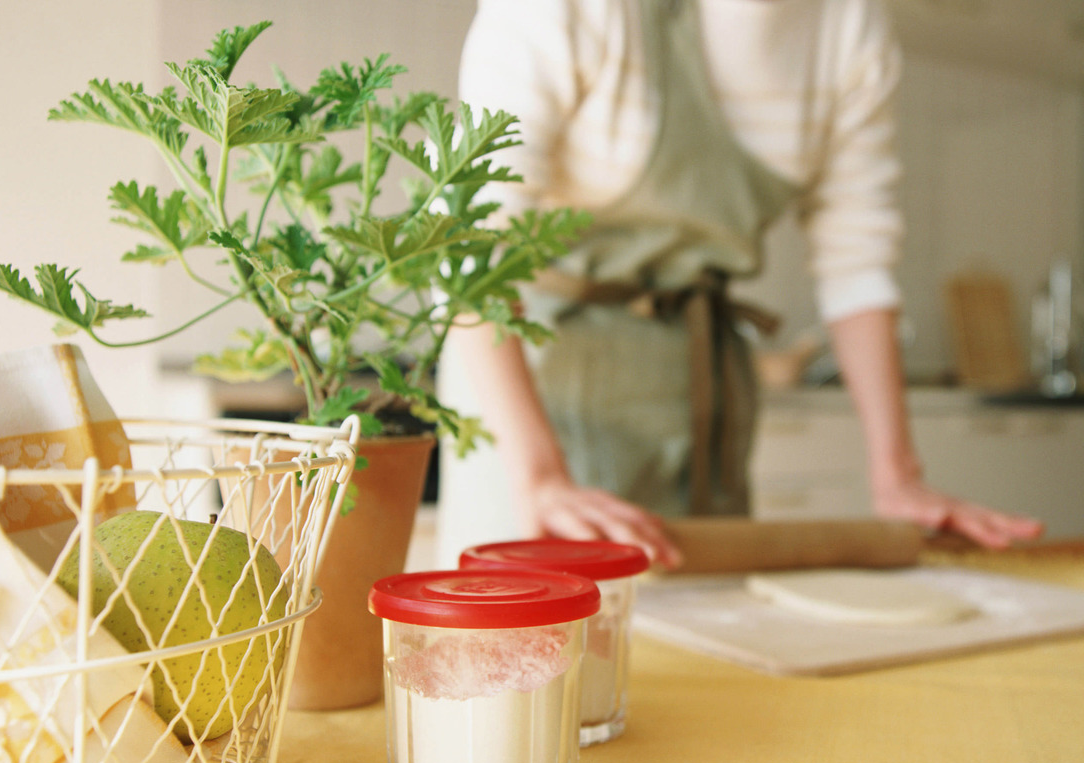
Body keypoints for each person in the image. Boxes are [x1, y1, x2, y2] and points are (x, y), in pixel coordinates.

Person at [434, 0, 1043, 569]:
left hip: (698, 392)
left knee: (706, 648)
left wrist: (897, 475)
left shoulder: (848, 26)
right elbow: (466, 250)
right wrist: (541, 476)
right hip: (527, 391)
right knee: (530, 653)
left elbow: (856, 263)